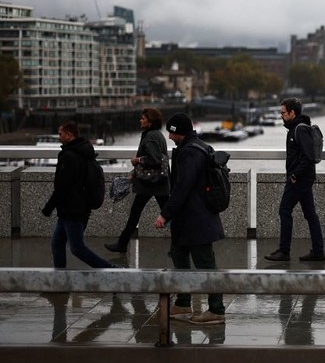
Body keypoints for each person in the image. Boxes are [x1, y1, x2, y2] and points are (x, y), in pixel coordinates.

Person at [154, 113, 225, 324]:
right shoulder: (197, 147)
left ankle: (217, 310)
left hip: (196, 220)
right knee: (179, 257)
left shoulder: (190, 153)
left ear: (179, 132)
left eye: (171, 132)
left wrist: (165, 214)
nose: (169, 137)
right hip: (190, 219)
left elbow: (182, 187)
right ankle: (183, 303)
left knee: (206, 264)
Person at [41, 121, 115, 269]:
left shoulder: (69, 156)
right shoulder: (82, 152)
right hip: (74, 208)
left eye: (61, 134)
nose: (59, 137)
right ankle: (60, 276)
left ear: (69, 135)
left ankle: (110, 269)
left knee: (77, 248)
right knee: (57, 243)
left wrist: (48, 207)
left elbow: (63, 186)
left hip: (72, 209)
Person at [265, 98, 325, 262]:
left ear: (293, 113)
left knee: (284, 210)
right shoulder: (296, 128)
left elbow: (309, 156)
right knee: (310, 214)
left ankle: (284, 251)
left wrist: (295, 175)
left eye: (283, 113)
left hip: (299, 179)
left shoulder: (299, 130)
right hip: (303, 179)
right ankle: (318, 251)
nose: (281, 116)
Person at [105, 108, 170, 253]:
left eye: (143, 118)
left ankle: (121, 244)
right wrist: (134, 174)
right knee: (165, 213)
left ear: (150, 122)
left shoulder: (150, 137)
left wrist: (137, 160)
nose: (140, 120)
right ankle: (122, 244)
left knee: (138, 214)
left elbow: (154, 159)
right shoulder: (157, 135)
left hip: (151, 183)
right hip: (158, 182)